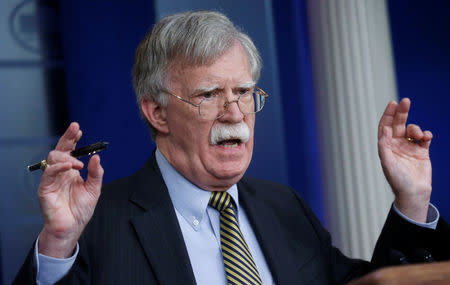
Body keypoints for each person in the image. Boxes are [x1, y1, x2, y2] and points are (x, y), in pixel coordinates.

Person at [14, 10, 449, 285]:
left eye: (243, 91)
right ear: (157, 113)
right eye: (208, 95)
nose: (234, 112)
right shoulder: (97, 223)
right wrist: (57, 245)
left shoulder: (285, 206)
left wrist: (412, 200)